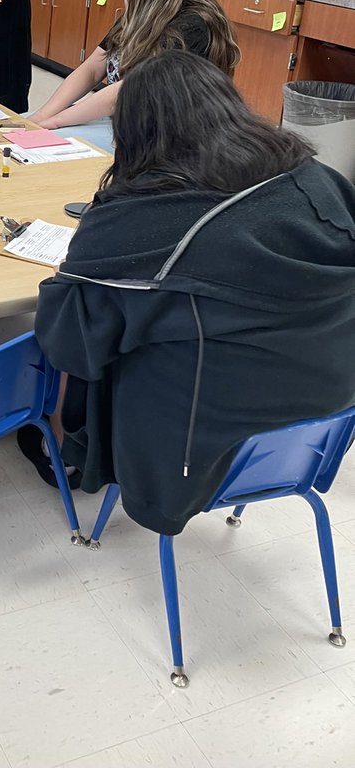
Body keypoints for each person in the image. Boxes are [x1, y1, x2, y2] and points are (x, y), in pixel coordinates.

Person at [33, 51, 355, 536]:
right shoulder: (320, 182)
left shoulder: (139, 225)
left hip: (191, 457)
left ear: (136, 133)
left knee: (84, 326)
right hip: (320, 427)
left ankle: (62, 455)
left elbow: (69, 345)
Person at [30, 0, 238, 130]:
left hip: (170, 135)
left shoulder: (193, 26)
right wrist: (40, 117)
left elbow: (125, 91)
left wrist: (56, 122)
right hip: (128, 121)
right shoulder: (143, 12)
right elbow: (92, 69)